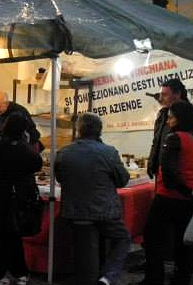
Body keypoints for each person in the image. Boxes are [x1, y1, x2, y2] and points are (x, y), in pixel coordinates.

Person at [132, 102, 193, 285]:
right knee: (186, 242)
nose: (168, 121)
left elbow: (168, 174)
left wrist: (188, 190)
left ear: (181, 118)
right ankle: (182, 279)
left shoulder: (175, 138)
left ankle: (153, 279)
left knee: (153, 239)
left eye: (171, 117)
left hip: (169, 199)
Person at [54, 113, 130, 285]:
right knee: (123, 238)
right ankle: (108, 277)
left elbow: (60, 178)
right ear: (99, 131)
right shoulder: (109, 152)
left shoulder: (64, 152)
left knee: (86, 257)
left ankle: (94, 278)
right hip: (105, 212)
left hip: (76, 211)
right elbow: (123, 180)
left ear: (78, 129)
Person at [0, 113, 43, 285]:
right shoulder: (18, 147)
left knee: (9, 233)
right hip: (10, 194)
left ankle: (20, 272)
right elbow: (36, 162)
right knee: (8, 233)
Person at [147, 78, 193, 179]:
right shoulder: (162, 114)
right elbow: (156, 141)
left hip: (184, 175)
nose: (160, 98)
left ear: (177, 94)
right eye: (160, 94)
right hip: (163, 172)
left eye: (165, 95)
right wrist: (152, 163)